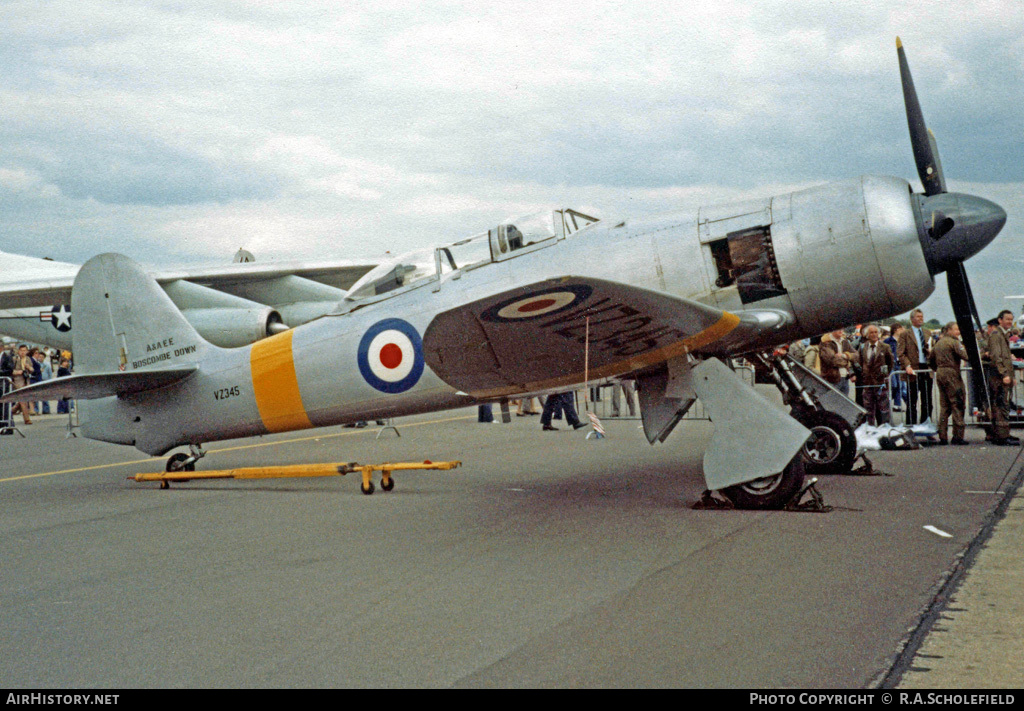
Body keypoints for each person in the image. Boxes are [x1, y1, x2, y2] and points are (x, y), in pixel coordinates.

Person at [928, 322, 970, 445]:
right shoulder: (954, 342)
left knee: (944, 406)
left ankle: (943, 436)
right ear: (949, 330)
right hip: (952, 374)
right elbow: (965, 356)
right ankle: (957, 436)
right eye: (956, 329)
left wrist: (939, 369)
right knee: (957, 403)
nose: (959, 332)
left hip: (940, 373)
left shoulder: (938, 343)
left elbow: (930, 361)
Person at [986, 310, 1020, 446]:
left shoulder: (1003, 334)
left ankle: (1002, 433)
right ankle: (1002, 436)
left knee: (1002, 405)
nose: (1010, 322)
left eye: (1011, 320)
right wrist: (1004, 374)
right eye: (1007, 319)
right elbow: (996, 357)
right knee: (1001, 406)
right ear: (1000, 320)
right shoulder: (996, 335)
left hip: (1004, 376)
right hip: (999, 378)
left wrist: (1011, 376)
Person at [897, 309, 933, 425]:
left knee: (927, 400)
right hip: (913, 369)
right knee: (912, 400)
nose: (921, 318)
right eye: (918, 316)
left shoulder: (928, 332)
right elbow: (900, 353)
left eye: (922, 316)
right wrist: (907, 365)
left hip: (926, 368)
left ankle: (926, 425)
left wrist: (930, 352)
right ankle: (910, 425)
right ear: (912, 319)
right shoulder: (905, 334)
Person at [858, 324, 894, 426]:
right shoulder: (862, 347)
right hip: (868, 384)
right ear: (866, 335)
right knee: (868, 410)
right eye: (871, 333)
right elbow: (860, 362)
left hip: (881, 383)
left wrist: (884, 375)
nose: (874, 335)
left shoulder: (885, 347)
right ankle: (870, 430)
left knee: (884, 410)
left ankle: (885, 429)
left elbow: (890, 363)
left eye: (875, 332)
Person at [819, 329, 858, 397]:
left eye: (842, 329)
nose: (841, 331)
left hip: (845, 378)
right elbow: (832, 360)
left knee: (844, 404)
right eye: (838, 329)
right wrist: (847, 360)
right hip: (832, 379)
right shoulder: (826, 342)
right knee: (832, 403)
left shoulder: (844, 341)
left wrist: (845, 355)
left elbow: (857, 356)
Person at [9, 344, 33, 424]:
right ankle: (27, 419)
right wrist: (18, 372)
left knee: (25, 398)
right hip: (17, 380)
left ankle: (12, 410)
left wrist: (29, 367)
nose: (23, 352)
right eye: (21, 350)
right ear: (18, 351)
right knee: (23, 399)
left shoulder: (28, 359)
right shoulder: (14, 359)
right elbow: (10, 370)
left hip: (26, 379)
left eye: (24, 351)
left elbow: (32, 369)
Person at [33, 348, 52, 415]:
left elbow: (50, 374)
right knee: (36, 396)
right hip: (38, 380)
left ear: (44, 357)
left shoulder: (47, 365)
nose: (40, 358)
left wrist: (50, 381)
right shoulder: (36, 364)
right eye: (39, 356)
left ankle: (46, 410)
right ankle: (36, 410)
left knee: (45, 396)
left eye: (42, 357)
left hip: (45, 381)